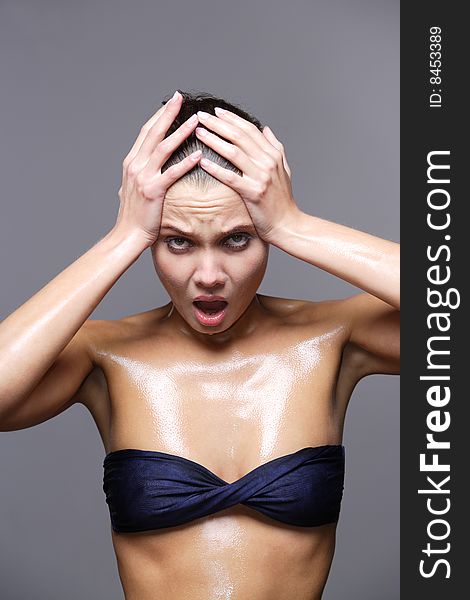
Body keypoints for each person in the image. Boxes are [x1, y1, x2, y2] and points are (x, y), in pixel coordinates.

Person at [0, 89, 400, 599]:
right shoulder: (104, 356)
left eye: (237, 239)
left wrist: (294, 224)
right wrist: (123, 236)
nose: (208, 276)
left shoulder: (333, 339)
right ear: (152, 239)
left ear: (266, 235)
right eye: (178, 242)